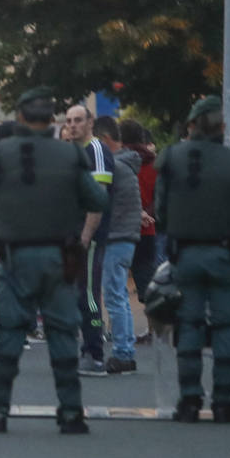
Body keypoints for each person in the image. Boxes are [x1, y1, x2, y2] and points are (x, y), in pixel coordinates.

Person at [0, 87, 107, 434]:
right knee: (63, 331)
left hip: (15, 258)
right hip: (59, 258)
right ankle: (72, 412)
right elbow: (96, 197)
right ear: (51, 120)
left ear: (19, 117)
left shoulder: (0, 154)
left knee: (11, 333)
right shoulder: (69, 155)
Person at [154, 95, 230, 422]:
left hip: (184, 255)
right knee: (227, 326)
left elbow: (160, 211)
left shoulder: (171, 158)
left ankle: (188, 400)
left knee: (188, 325)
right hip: (226, 255)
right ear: (222, 127)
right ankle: (225, 402)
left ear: (191, 125)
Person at [62, 103, 113, 375]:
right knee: (73, 293)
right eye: (69, 120)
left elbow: (99, 199)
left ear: (90, 123)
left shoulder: (96, 150)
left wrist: (85, 238)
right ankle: (81, 348)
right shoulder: (72, 152)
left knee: (89, 295)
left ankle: (94, 354)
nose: (72, 125)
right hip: (69, 235)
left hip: (88, 237)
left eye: (78, 120)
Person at [95, 115, 142, 374]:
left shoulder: (113, 167)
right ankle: (125, 349)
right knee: (118, 295)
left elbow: (99, 203)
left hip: (115, 237)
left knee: (114, 295)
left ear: (104, 139)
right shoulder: (127, 165)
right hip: (126, 236)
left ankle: (124, 351)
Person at [119, 119, 160, 302]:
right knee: (148, 282)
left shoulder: (120, 162)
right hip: (148, 229)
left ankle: (117, 330)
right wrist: (148, 214)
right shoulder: (155, 164)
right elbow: (159, 196)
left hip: (123, 229)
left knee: (117, 286)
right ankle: (154, 328)